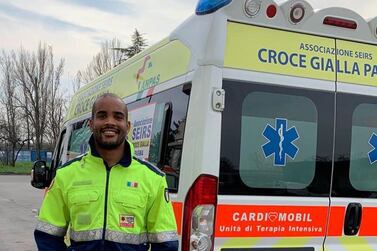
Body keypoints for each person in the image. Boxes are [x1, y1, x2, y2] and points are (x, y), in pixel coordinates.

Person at [34, 93, 178, 251]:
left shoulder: (153, 179)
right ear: (91, 124)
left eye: (118, 117)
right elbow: (47, 236)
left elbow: (166, 244)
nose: (110, 122)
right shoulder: (65, 175)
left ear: (128, 126)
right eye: (102, 116)